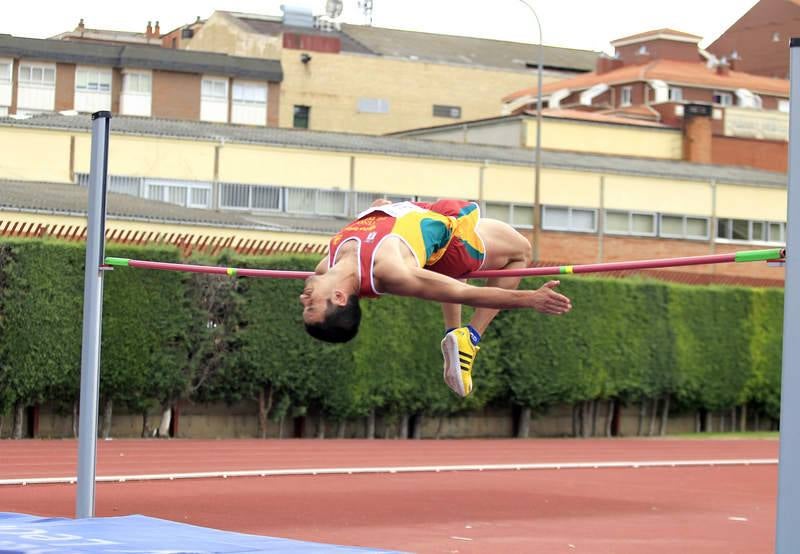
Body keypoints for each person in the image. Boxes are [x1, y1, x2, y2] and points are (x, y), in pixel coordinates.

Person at [300, 198, 572, 397]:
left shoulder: (327, 266)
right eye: (311, 305)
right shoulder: (390, 270)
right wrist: (530, 298)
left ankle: (455, 332)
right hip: (452, 244)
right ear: (338, 297)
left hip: (424, 214)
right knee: (520, 251)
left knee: (452, 269)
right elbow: (467, 293)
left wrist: (379, 208)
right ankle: (470, 337)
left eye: (305, 305)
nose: (303, 298)